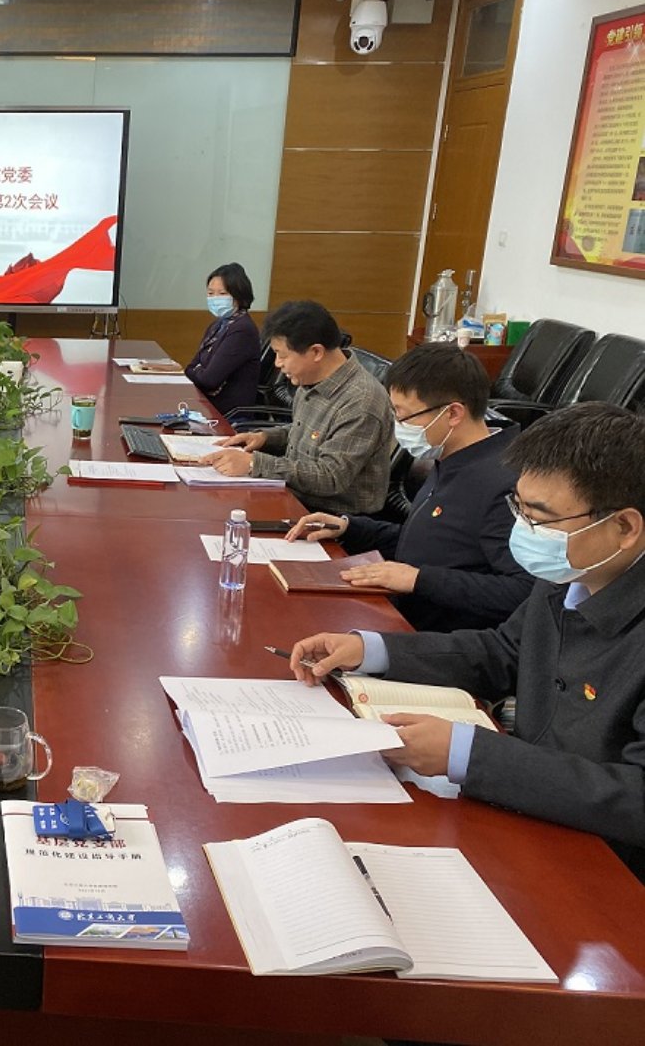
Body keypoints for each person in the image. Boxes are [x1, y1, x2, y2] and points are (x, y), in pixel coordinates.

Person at [288, 403, 645, 879]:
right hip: (533, 821)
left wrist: (468, 754)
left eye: (540, 518)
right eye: (518, 508)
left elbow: (635, 798)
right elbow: (505, 651)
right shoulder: (573, 571)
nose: (523, 531)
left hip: (608, 871)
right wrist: (372, 650)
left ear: (624, 527)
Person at [285, 343, 534, 633]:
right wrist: (350, 528)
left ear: (453, 414)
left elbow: (524, 592)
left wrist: (418, 579)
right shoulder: (451, 458)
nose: (398, 425)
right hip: (399, 613)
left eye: (404, 416)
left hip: (440, 639)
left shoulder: (504, 485)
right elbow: (432, 543)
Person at [200, 299, 391, 515]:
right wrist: (265, 438)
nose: (277, 364)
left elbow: (330, 477)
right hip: (293, 494)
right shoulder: (312, 378)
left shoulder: (361, 402)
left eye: (282, 355)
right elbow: (309, 432)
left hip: (332, 517)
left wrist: (255, 463)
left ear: (316, 352)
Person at [184, 262, 261, 415]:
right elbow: (190, 368)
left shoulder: (242, 330)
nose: (215, 299)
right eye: (210, 293)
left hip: (227, 414)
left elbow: (209, 380)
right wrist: (199, 370)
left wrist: (198, 370)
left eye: (222, 293)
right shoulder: (218, 325)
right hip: (207, 405)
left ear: (239, 295)